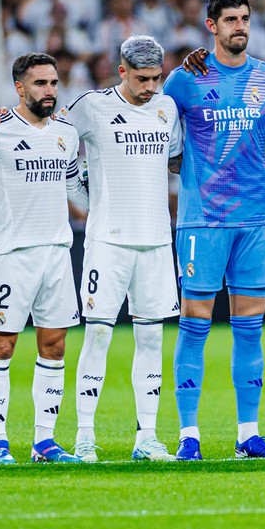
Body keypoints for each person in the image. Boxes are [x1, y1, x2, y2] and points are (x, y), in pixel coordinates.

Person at [162, 0, 265, 461]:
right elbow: (156, 131)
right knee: (195, 324)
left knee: (250, 329)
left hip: (255, 218)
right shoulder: (184, 80)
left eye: (244, 18)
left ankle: (248, 435)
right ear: (211, 25)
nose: (239, 26)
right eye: (229, 20)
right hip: (203, 220)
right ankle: (189, 436)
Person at [0, 52, 87, 465]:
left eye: (53, 83)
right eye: (40, 84)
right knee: (3, 346)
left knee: (54, 344)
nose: (49, 91)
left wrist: (106, 204)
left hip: (57, 254)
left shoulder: (66, 131)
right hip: (12, 256)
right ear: (20, 87)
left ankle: (44, 442)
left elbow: (74, 189)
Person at [63, 36, 182, 464]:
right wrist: (85, 198)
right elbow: (53, 144)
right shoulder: (90, 107)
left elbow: (173, 160)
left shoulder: (167, 109)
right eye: (142, 79)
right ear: (122, 71)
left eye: (156, 78)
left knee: (151, 338)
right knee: (97, 334)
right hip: (108, 242)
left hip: (154, 241)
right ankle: (84, 437)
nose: (151, 87)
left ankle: (147, 437)